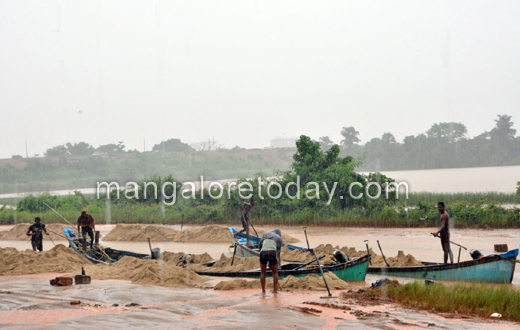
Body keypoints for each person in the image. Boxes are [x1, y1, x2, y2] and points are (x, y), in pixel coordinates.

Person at [258, 228, 283, 295]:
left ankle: (263, 291)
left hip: (263, 252)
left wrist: (263, 255)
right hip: (272, 252)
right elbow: (278, 253)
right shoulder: (279, 239)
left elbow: (260, 246)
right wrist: (277, 265)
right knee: (275, 272)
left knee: (263, 272)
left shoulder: (265, 234)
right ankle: (275, 291)